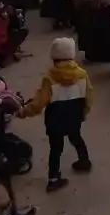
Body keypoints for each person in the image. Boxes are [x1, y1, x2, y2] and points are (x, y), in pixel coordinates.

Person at [18, 37, 93, 193]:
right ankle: (84, 161)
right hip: (74, 116)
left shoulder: (50, 78)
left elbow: (39, 102)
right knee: (76, 138)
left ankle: (53, 179)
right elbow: (89, 95)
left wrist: (24, 112)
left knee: (56, 148)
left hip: (55, 120)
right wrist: (83, 112)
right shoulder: (82, 75)